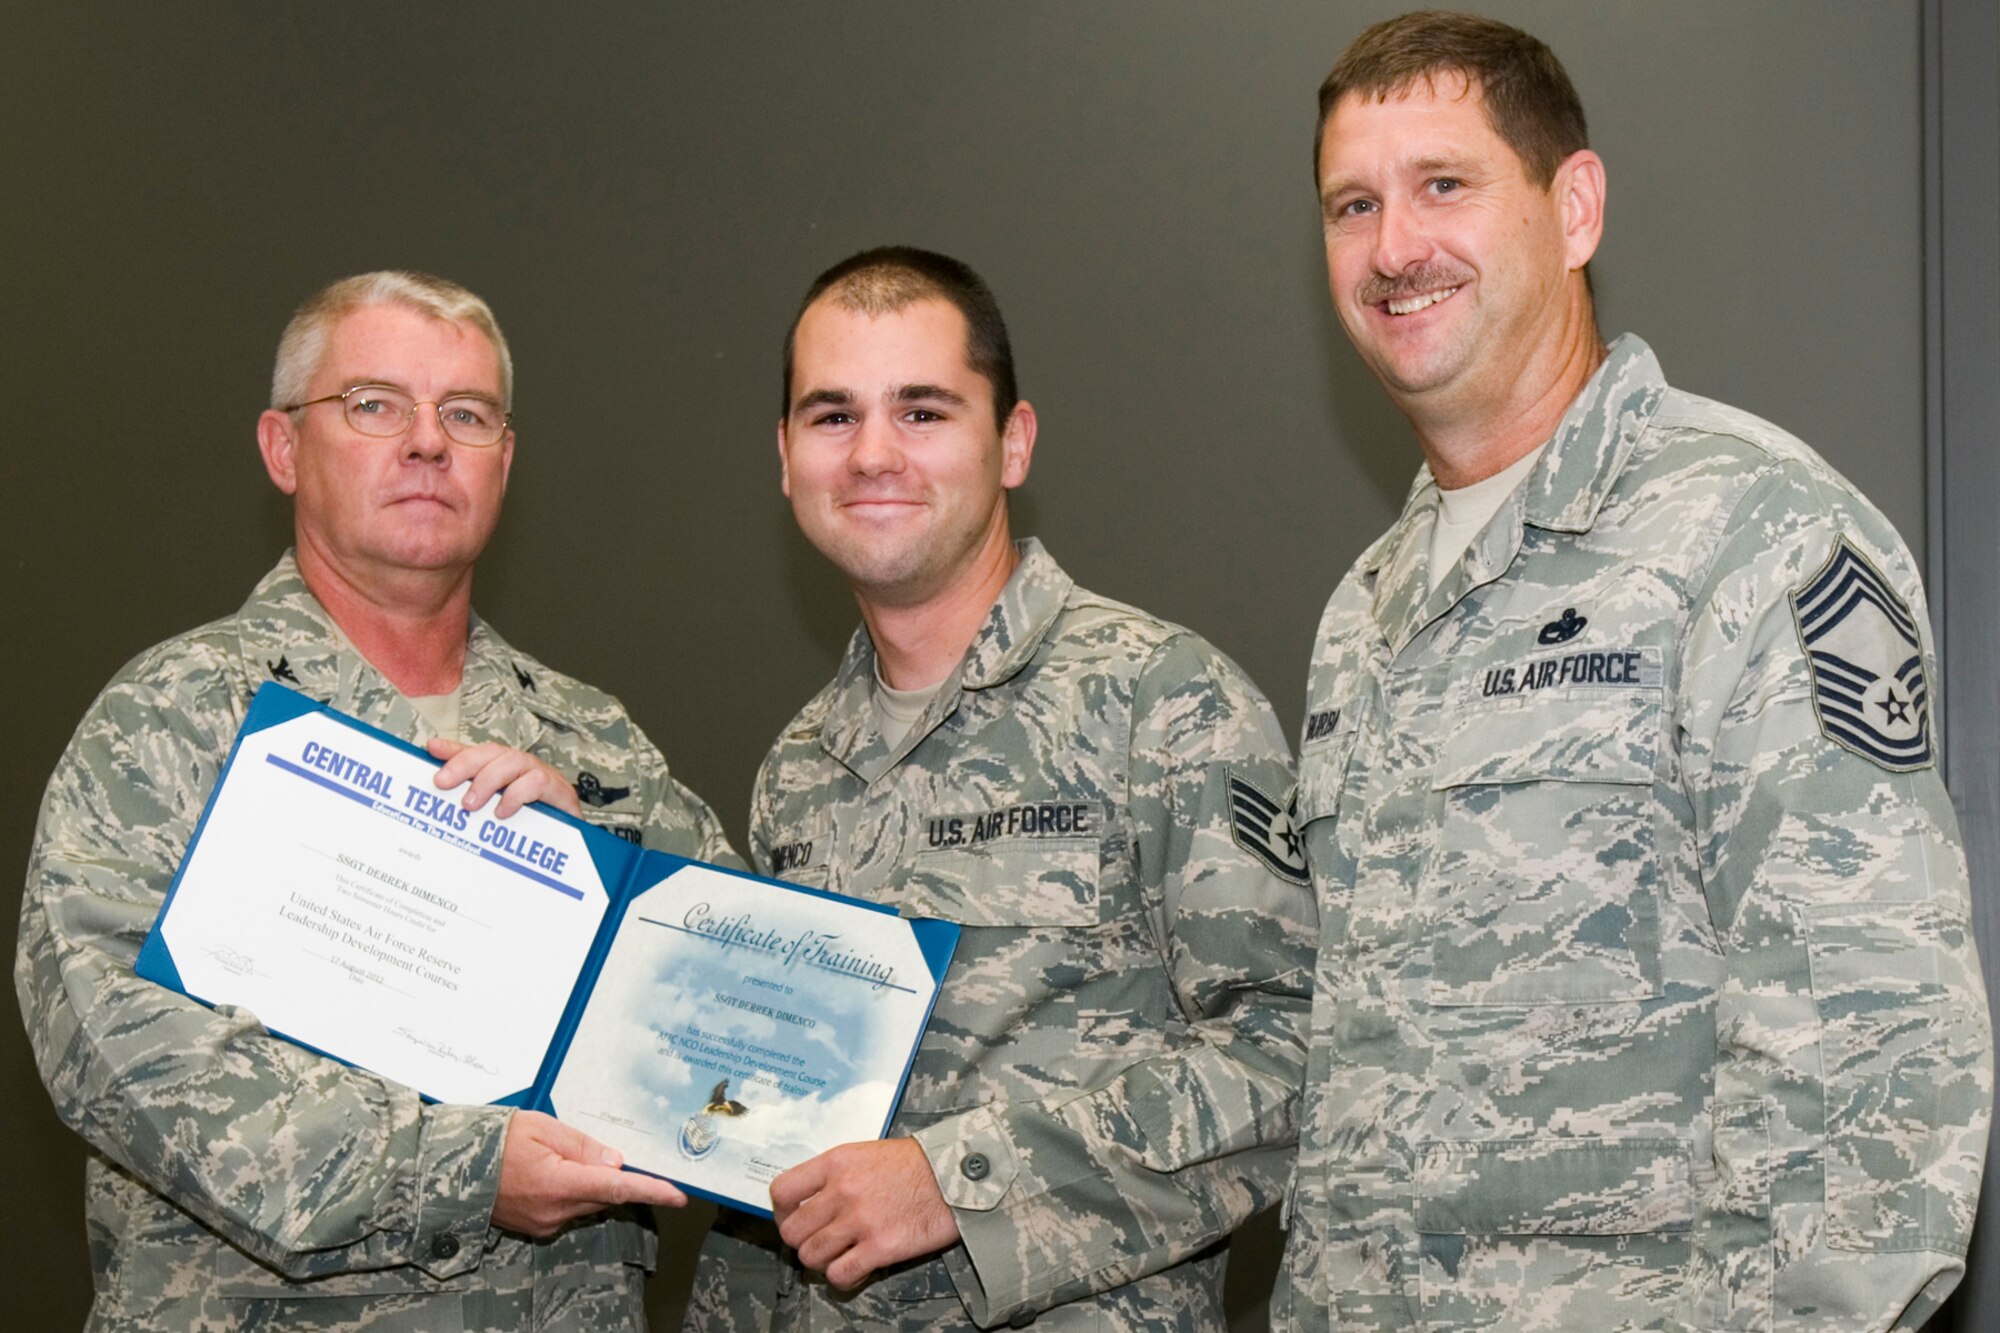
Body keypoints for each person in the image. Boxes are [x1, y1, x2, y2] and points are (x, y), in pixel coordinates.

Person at [1277, 12, 1992, 1332]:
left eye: (1445, 185)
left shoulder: (1756, 535)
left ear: (1576, 206)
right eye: (1350, 205)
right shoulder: (1364, 614)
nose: (1392, 248)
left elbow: (1875, 1067)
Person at [16, 270, 737, 1331]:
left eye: (467, 413)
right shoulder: (179, 715)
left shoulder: (595, 744)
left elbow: (749, 1000)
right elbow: (108, 1042)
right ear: (282, 448)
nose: (427, 442)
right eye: (373, 405)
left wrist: (609, 858)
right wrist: (454, 1170)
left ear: (504, 459)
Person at [684, 247, 1317, 1332]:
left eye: (922, 411)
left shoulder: (1159, 701)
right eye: (831, 415)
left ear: (1011, 442)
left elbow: (1295, 1055)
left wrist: (960, 1179)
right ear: (783, 457)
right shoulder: (797, 768)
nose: (873, 452)